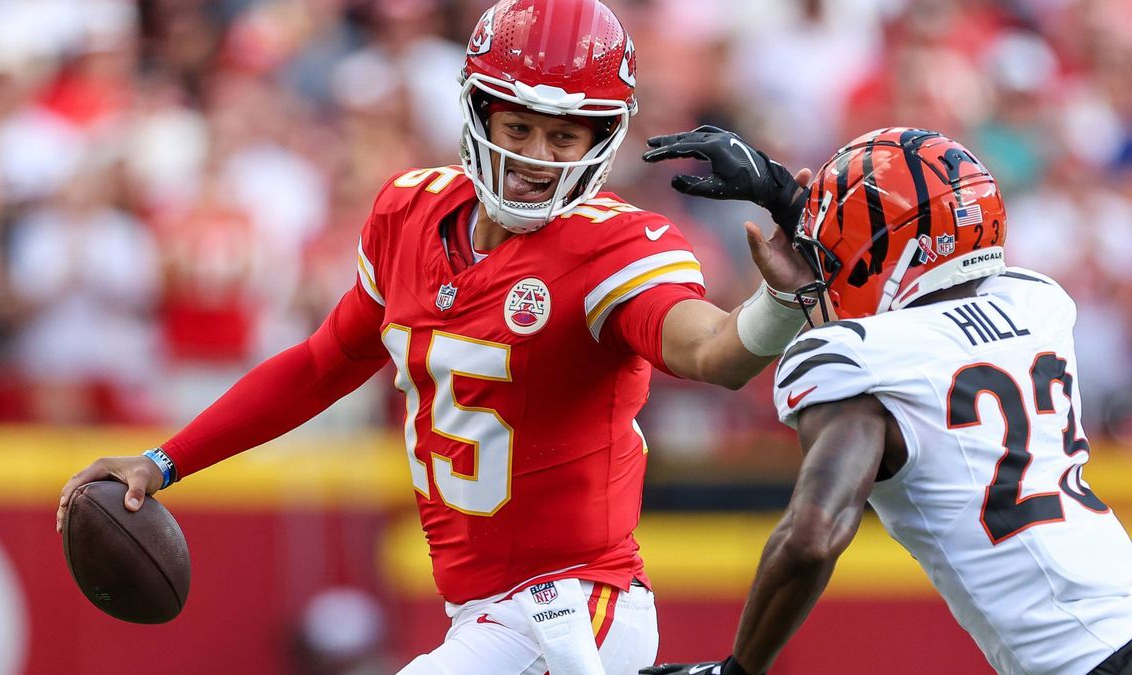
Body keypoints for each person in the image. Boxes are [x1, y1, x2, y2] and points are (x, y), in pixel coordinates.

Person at [55, 1, 815, 674]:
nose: (535, 158)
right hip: (486, 614)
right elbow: (324, 360)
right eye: (519, 126)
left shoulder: (612, 248)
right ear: (478, 116)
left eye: (561, 135)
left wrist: (779, 298)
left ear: (601, 139)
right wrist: (166, 459)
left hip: (574, 606)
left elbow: (710, 353)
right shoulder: (409, 214)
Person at [641, 128, 1132, 675]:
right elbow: (918, 259)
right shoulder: (1036, 301)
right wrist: (790, 197)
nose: (828, 257)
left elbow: (812, 538)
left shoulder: (858, 360)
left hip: (1082, 660)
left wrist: (738, 670)